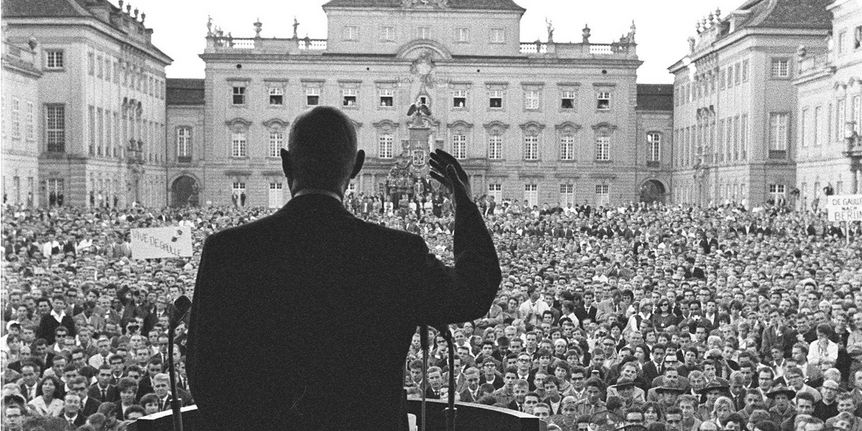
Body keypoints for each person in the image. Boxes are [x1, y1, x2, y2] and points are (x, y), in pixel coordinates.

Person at [187, 106, 501, 430]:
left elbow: (204, 377)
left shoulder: (228, 251)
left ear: (285, 162)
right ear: (356, 167)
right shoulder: (396, 254)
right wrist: (464, 201)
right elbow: (476, 289)